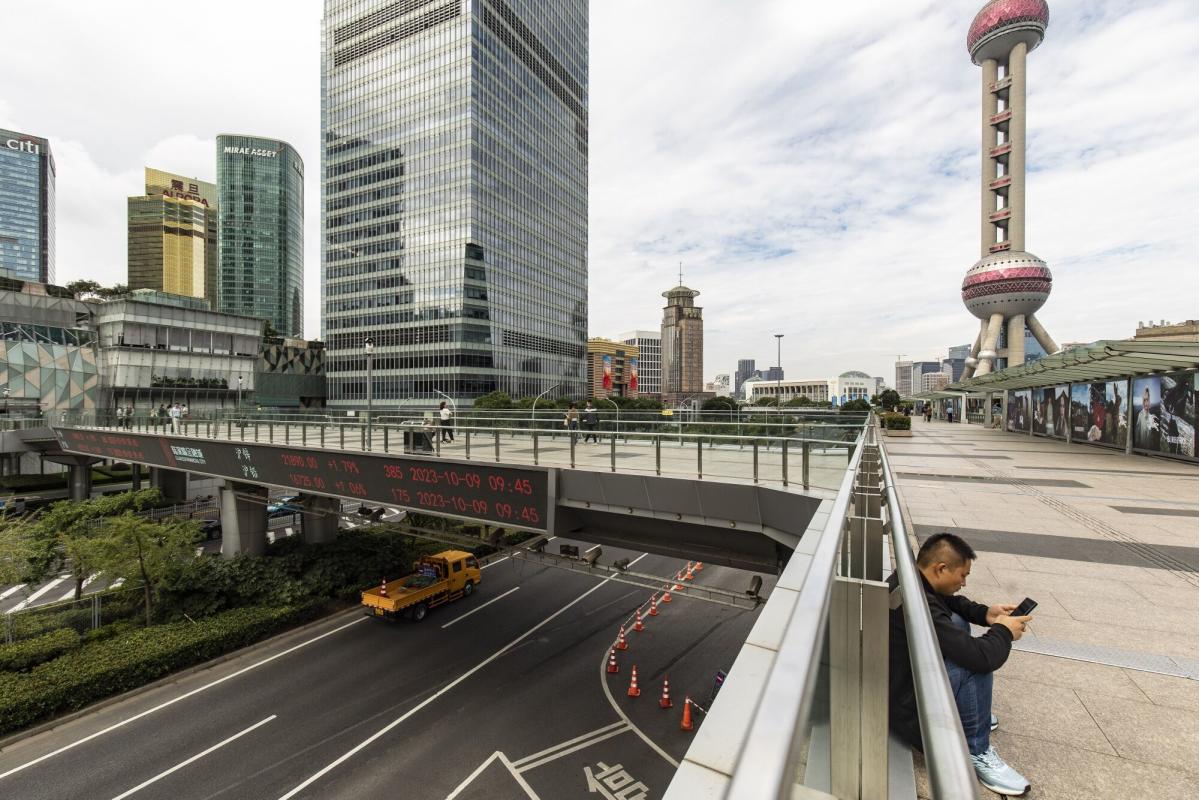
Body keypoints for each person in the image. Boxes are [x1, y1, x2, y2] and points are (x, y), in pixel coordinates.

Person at [889, 533, 1032, 796]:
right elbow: (983, 657)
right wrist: (1003, 631)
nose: (964, 583)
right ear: (941, 569)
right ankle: (976, 750)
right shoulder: (921, 606)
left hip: (902, 680)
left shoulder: (912, 578)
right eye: (963, 575)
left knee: (957, 621)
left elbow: (950, 600)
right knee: (974, 666)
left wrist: (986, 614)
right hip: (908, 710)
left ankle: (969, 712)